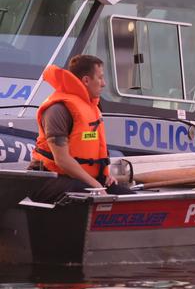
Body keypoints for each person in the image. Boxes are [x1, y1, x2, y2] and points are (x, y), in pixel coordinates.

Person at [28, 55, 134, 203]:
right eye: (100, 78)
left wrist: (104, 177)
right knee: (87, 193)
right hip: (48, 180)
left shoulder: (91, 107)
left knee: (130, 198)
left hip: (81, 180)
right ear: (86, 80)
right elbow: (62, 160)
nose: (104, 84)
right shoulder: (58, 109)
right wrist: (96, 185)